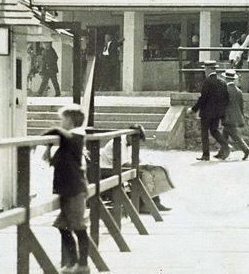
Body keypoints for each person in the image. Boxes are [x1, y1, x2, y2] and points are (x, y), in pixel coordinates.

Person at [42, 104, 89, 273]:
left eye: (63, 120)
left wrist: (53, 131)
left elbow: (65, 136)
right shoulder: (68, 139)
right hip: (66, 189)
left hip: (75, 190)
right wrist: (48, 147)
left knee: (77, 226)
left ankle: (82, 265)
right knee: (63, 226)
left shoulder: (78, 135)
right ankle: (71, 264)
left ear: (71, 120)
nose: (61, 123)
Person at [98, 128, 172, 212]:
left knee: (152, 171)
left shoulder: (128, 142)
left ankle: (154, 202)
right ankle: (145, 204)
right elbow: (124, 164)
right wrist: (143, 166)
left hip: (119, 166)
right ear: (130, 137)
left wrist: (146, 163)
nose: (136, 144)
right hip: (108, 168)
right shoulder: (118, 143)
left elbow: (135, 158)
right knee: (143, 174)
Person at [187, 60, 230, 161]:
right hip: (217, 113)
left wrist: (193, 109)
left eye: (205, 69)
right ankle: (226, 146)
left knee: (204, 133)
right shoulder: (222, 82)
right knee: (214, 130)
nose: (204, 71)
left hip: (206, 113)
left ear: (208, 69)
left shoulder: (207, 82)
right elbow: (226, 98)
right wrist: (221, 111)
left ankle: (206, 155)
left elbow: (203, 98)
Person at [221, 70, 249, 160]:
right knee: (225, 134)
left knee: (235, 135)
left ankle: (246, 149)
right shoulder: (238, 91)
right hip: (236, 115)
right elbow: (241, 105)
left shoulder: (224, 89)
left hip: (227, 116)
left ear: (226, 79)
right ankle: (221, 152)